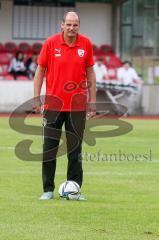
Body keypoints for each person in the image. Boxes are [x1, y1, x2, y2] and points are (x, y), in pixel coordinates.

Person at [33, 11, 96, 200]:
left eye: (75, 25)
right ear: (62, 25)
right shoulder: (50, 43)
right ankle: (48, 189)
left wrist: (92, 101)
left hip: (77, 108)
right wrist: (36, 98)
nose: (71, 28)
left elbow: (91, 74)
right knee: (49, 148)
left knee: (75, 150)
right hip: (53, 106)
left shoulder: (86, 44)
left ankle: (74, 188)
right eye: (68, 24)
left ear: (79, 26)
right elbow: (40, 72)